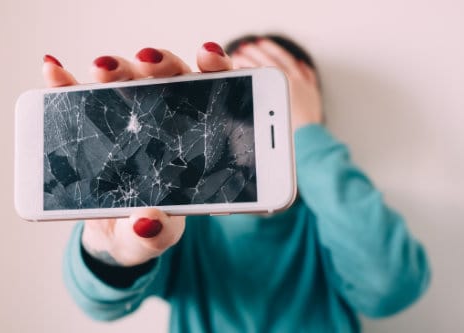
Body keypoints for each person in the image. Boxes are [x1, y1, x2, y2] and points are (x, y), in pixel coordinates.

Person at [43, 34, 431, 332]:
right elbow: (99, 302)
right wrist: (107, 251)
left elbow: (392, 287)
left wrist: (309, 135)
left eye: (279, 100)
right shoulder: (183, 215)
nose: (254, 122)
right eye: (237, 96)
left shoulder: (335, 219)